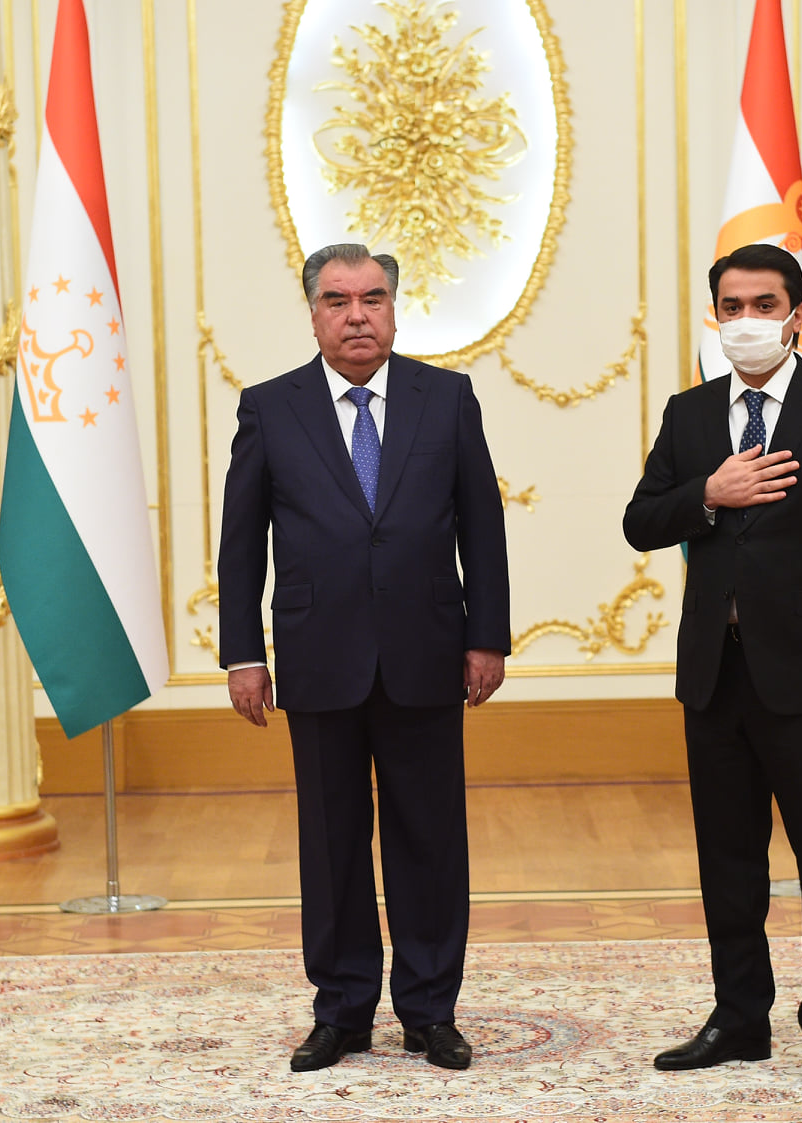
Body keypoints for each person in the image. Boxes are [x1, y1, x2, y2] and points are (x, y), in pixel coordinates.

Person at [622, 242, 802, 1090]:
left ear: (794, 314)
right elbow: (641, 521)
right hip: (713, 672)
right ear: (713, 315)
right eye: (731, 306)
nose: (746, 320)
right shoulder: (688, 413)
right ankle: (739, 1017)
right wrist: (706, 494)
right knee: (727, 857)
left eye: (763, 304)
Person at [218, 243, 510, 1073]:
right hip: (318, 656)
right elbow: (240, 542)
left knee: (429, 839)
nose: (357, 316)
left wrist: (486, 635)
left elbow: (481, 524)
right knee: (331, 843)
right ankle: (341, 1010)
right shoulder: (269, 407)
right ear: (313, 313)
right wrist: (243, 654)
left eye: (372, 299)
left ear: (393, 309)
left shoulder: (445, 398)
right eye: (338, 300)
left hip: (428, 652)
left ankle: (429, 1010)